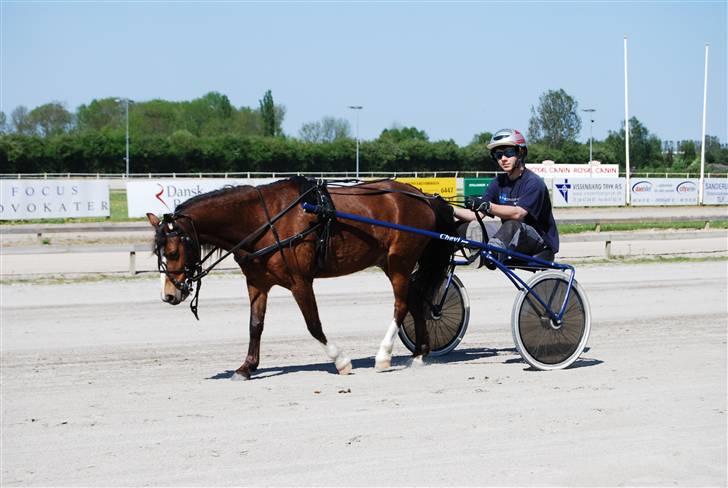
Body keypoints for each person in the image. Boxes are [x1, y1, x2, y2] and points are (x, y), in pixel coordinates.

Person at [453, 128, 559, 262]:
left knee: (512, 223)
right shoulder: (498, 183)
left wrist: (487, 206)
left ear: (520, 153)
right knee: (463, 226)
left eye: (509, 153)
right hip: (510, 237)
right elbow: (477, 215)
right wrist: (450, 209)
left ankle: (492, 255)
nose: (503, 159)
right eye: (498, 155)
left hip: (539, 244)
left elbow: (518, 214)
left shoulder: (534, 182)